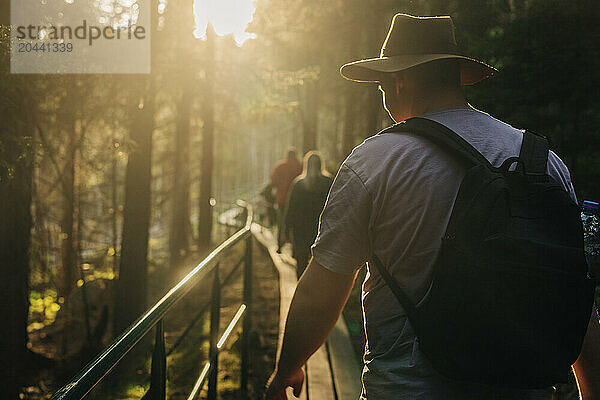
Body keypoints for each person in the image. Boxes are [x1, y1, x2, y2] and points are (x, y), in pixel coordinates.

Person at [265, 13, 600, 400]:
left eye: (381, 85)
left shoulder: (374, 162)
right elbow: (574, 297)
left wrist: (287, 368)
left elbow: (322, 290)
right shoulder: (542, 161)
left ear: (399, 80)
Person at [284, 151, 333, 280]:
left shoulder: (298, 185)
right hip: (321, 229)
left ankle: (300, 287)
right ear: (321, 165)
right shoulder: (328, 183)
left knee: (301, 262)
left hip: (300, 230)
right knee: (321, 263)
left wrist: (286, 230)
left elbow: (291, 210)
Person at [264, 148, 303, 251]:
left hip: (282, 200)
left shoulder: (280, 166)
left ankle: (279, 245)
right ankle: (295, 248)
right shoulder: (300, 166)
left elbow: (273, 182)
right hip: (297, 201)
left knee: (281, 223)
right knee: (296, 224)